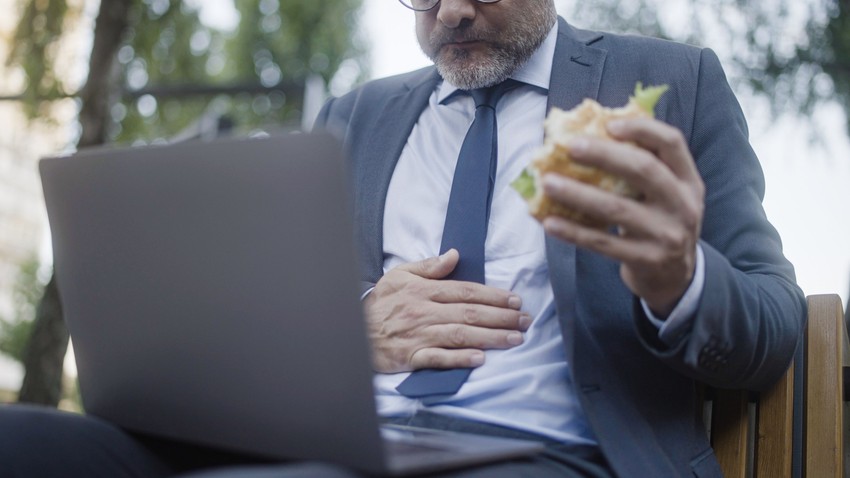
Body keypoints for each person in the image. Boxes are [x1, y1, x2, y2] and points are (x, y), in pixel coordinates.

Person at [0, 0, 805, 477]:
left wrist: (677, 277)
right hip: (342, 447)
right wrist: (345, 330)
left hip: (536, 455)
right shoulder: (359, 115)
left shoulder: (670, 80)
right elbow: (285, 322)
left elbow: (772, 318)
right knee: (23, 442)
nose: (450, 9)